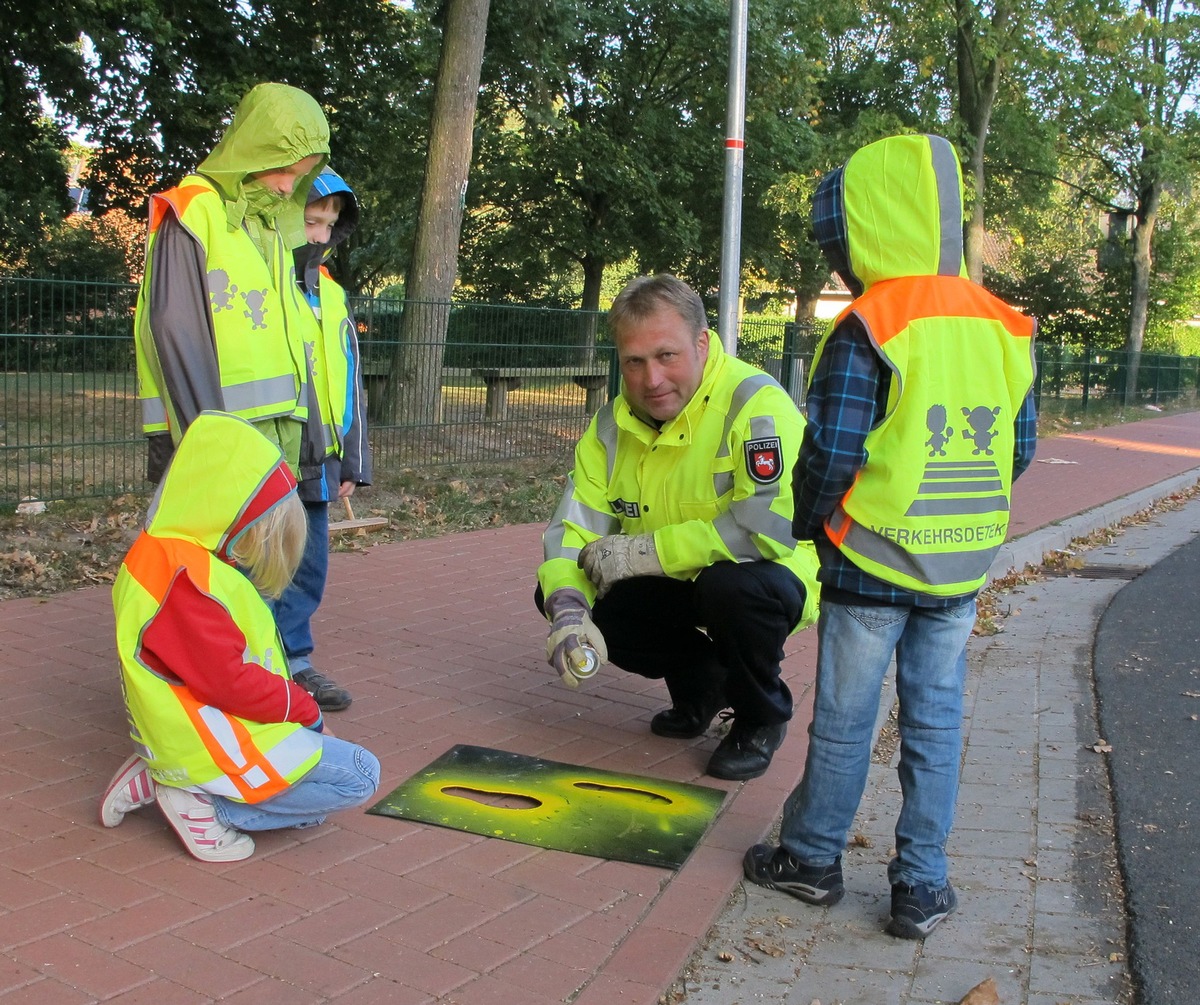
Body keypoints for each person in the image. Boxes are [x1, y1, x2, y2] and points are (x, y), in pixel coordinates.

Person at [743, 134, 1037, 939]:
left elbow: (832, 451)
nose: (839, 262)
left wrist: (810, 528)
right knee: (936, 719)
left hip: (869, 561)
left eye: (840, 244)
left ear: (866, 232)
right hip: (958, 564)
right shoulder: (1003, 325)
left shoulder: (871, 324)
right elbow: (1021, 445)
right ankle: (920, 884)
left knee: (845, 717)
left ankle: (809, 860)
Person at [536, 274, 820, 782]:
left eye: (666, 356)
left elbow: (767, 531)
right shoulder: (609, 426)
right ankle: (701, 686)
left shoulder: (756, 404)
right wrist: (567, 611)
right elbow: (571, 532)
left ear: (702, 344)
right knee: (566, 591)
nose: (651, 380)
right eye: (634, 362)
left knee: (730, 589)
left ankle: (760, 718)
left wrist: (642, 553)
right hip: (679, 576)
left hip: (768, 574)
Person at [98, 410, 380, 863]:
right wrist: (303, 710)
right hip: (213, 736)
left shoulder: (171, 555)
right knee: (360, 776)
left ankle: (172, 778)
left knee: (317, 800)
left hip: (206, 728)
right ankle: (204, 803)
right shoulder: (187, 580)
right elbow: (229, 681)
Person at [133, 82, 330, 484]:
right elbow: (175, 330)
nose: (288, 187)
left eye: (301, 176)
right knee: (220, 548)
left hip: (278, 436)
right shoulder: (193, 210)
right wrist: (208, 448)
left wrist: (310, 441)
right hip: (225, 441)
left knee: (266, 548)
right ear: (255, 149)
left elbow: (293, 337)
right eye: (285, 169)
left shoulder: (270, 226)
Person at [270, 167, 372, 712]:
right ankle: (255, 664)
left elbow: (348, 378)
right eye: (310, 221)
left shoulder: (330, 293)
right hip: (269, 452)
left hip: (321, 458)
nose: (319, 235)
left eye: (329, 224)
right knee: (260, 562)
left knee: (310, 563)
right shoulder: (263, 281)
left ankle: (295, 662)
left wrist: (352, 459)